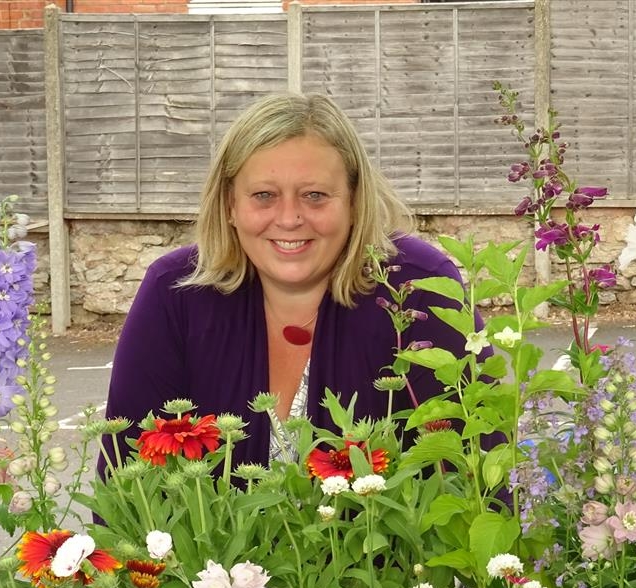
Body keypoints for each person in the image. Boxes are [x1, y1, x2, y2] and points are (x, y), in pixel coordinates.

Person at [100, 92, 483, 473]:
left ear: (353, 201)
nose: (288, 218)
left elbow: (475, 475)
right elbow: (127, 476)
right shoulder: (175, 293)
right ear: (230, 204)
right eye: (264, 195)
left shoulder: (417, 288)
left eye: (314, 196)